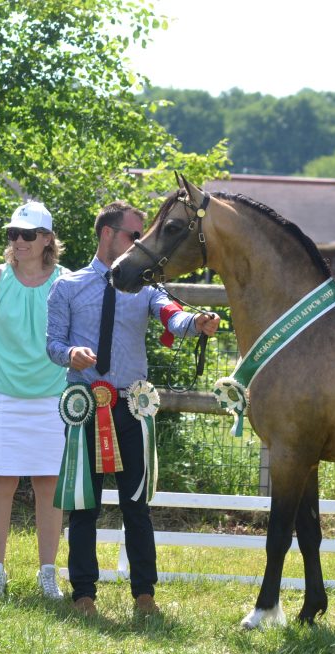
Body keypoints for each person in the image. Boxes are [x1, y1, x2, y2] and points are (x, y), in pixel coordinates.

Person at [46, 200, 219, 617]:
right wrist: (72, 354)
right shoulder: (67, 286)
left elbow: (172, 317)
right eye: (134, 235)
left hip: (132, 407)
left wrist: (195, 323)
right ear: (108, 234)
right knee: (84, 505)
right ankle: (83, 594)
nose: (140, 243)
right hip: (86, 407)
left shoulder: (145, 287)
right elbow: (52, 345)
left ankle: (145, 595)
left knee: (136, 506)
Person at [0, 201, 69, 600]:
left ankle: (48, 574)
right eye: (13, 233)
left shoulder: (67, 280)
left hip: (53, 397)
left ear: (47, 238)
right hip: (3, 395)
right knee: (1, 483)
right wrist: (11, 371)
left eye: (28, 234)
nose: (19, 241)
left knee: (50, 485)